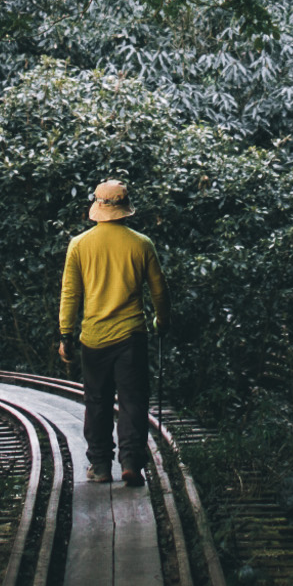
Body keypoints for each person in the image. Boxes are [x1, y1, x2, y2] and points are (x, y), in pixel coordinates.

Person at [58, 178, 169, 486]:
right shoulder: (141, 244)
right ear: (125, 208)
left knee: (97, 400)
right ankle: (131, 462)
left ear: (98, 206)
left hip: (94, 338)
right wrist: (162, 321)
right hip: (132, 336)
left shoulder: (79, 245)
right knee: (133, 400)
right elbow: (159, 291)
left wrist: (66, 334)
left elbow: (70, 293)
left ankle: (101, 465)